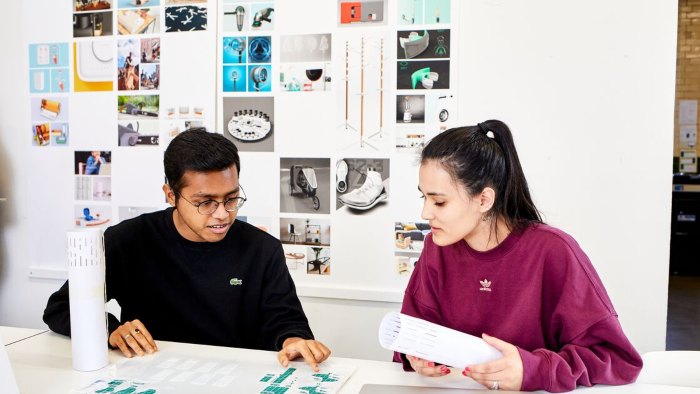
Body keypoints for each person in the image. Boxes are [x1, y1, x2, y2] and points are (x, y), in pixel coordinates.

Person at [44, 128, 331, 371]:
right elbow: (59, 308)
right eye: (205, 202)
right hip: (152, 373)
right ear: (171, 195)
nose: (222, 214)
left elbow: (287, 320)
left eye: (231, 199)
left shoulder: (262, 249)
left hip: (239, 378)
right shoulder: (128, 240)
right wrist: (110, 329)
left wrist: (294, 342)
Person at [394, 120, 642, 392]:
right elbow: (412, 332)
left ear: (484, 200)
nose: (425, 213)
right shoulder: (436, 247)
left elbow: (616, 359)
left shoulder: (555, 251)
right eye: (424, 198)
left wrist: (534, 369)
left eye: (439, 201)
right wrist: (416, 354)